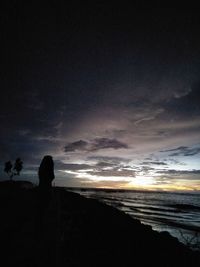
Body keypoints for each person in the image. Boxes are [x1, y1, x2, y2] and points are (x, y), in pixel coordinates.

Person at [35, 155, 55, 234]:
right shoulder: (48, 171)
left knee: (40, 211)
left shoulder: (41, 171)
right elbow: (51, 177)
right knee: (44, 211)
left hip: (41, 190)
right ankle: (41, 231)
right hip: (46, 191)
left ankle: (39, 230)